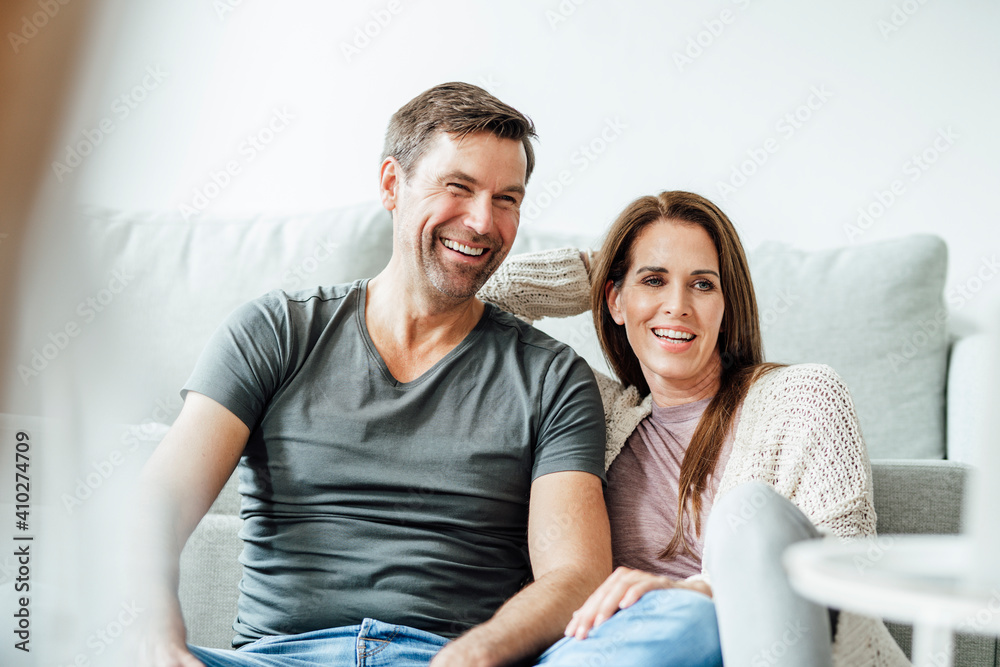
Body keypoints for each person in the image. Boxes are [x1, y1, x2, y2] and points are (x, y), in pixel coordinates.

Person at [131, 82, 613, 667]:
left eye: (506, 199)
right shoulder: (275, 332)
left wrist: (477, 654)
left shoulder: (552, 379)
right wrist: (158, 638)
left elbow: (576, 574)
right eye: (458, 187)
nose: (483, 221)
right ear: (391, 184)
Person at [480, 190, 911, 666]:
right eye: (654, 280)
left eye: (702, 285)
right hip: (625, 652)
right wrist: (601, 268)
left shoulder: (803, 396)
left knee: (749, 511)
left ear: (727, 306)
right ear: (615, 301)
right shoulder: (592, 411)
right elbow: (477, 303)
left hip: (761, 650)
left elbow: (847, 561)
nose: (677, 305)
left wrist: (700, 593)